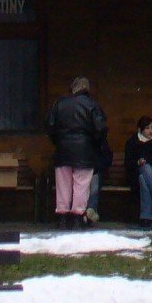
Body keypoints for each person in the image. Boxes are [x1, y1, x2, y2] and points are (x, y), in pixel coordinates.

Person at [47, 75, 107, 228]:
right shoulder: (93, 105)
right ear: (87, 89)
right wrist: (94, 144)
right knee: (82, 185)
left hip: (63, 149)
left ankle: (62, 217)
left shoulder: (59, 104)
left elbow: (50, 126)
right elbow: (100, 130)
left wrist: (58, 141)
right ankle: (77, 218)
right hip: (85, 150)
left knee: (63, 184)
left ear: (73, 88)